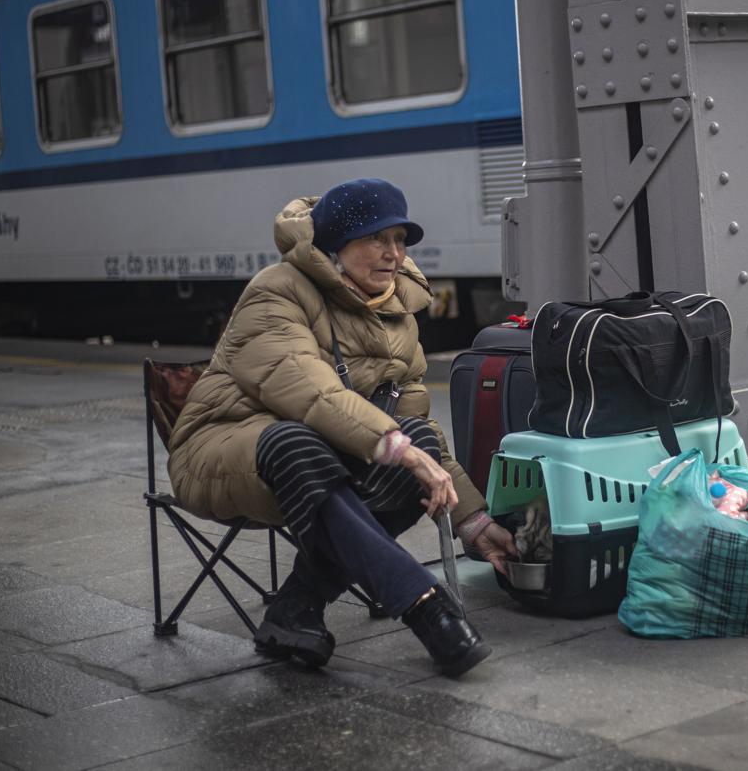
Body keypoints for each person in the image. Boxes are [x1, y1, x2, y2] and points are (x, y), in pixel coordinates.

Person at [167, 178, 517, 677]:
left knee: (412, 443)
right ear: (335, 243)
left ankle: (297, 608)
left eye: (400, 240)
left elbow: (411, 422)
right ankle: (423, 604)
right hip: (225, 446)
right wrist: (396, 447)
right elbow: (311, 391)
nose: (393, 254)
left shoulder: (397, 314)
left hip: (329, 455)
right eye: (377, 239)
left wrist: (474, 521)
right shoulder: (276, 290)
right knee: (301, 442)